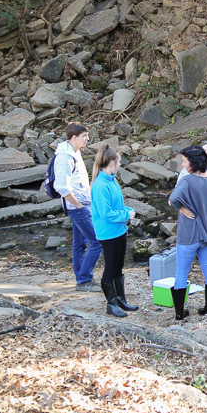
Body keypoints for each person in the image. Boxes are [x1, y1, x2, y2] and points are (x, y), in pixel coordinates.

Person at [168, 145, 207, 320]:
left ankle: (179, 313)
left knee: (181, 272)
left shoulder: (187, 181)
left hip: (190, 234)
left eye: (184, 161)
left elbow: (173, 198)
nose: (182, 165)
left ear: (193, 162)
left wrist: (182, 209)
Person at [53, 122, 102, 292]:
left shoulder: (74, 152)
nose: (88, 139)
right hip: (77, 207)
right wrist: (79, 205)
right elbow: (61, 186)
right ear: (74, 137)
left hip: (82, 204)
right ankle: (84, 280)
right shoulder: (65, 157)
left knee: (80, 244)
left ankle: (82, 278)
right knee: (97, 242)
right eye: (84, 136)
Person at [89, 144, 136, 318]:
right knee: (110, 268)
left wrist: (127, 211)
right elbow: (106, 214)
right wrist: (126, 215)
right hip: (108, 233)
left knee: (118, 267)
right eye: (119, 161)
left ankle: (121, 300)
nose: (120, 164)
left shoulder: (112, 180)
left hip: (119, 230)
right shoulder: (100, 185)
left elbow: (117, 206)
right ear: (111, 163)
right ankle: (112, 303)